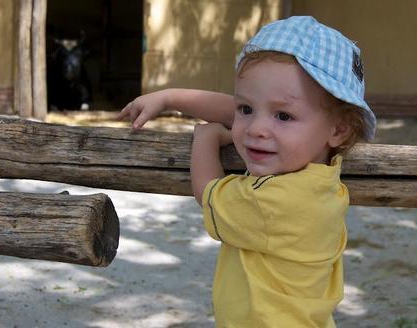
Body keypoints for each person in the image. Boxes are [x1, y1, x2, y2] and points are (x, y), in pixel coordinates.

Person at [118, 16, 376, 327]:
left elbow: (208, 193)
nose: (256, 129)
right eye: (247, 110)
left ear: (338, 130)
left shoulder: (278, 202)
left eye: (282, 115)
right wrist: (169, 98)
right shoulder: (320, 174)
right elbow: (237, 109)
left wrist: (205, 137)